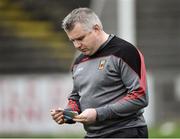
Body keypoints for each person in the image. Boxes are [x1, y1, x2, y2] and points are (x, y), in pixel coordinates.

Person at [51, 7, 149, 138]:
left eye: (80, 38)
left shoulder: (125, 52)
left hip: (125, 131)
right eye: (73, 40)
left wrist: (98, 113)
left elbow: (140, 97)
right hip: (93, 134)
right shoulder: (78, 62)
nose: (77, 45)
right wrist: (67, 113)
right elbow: (75, 97)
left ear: (96, 29)